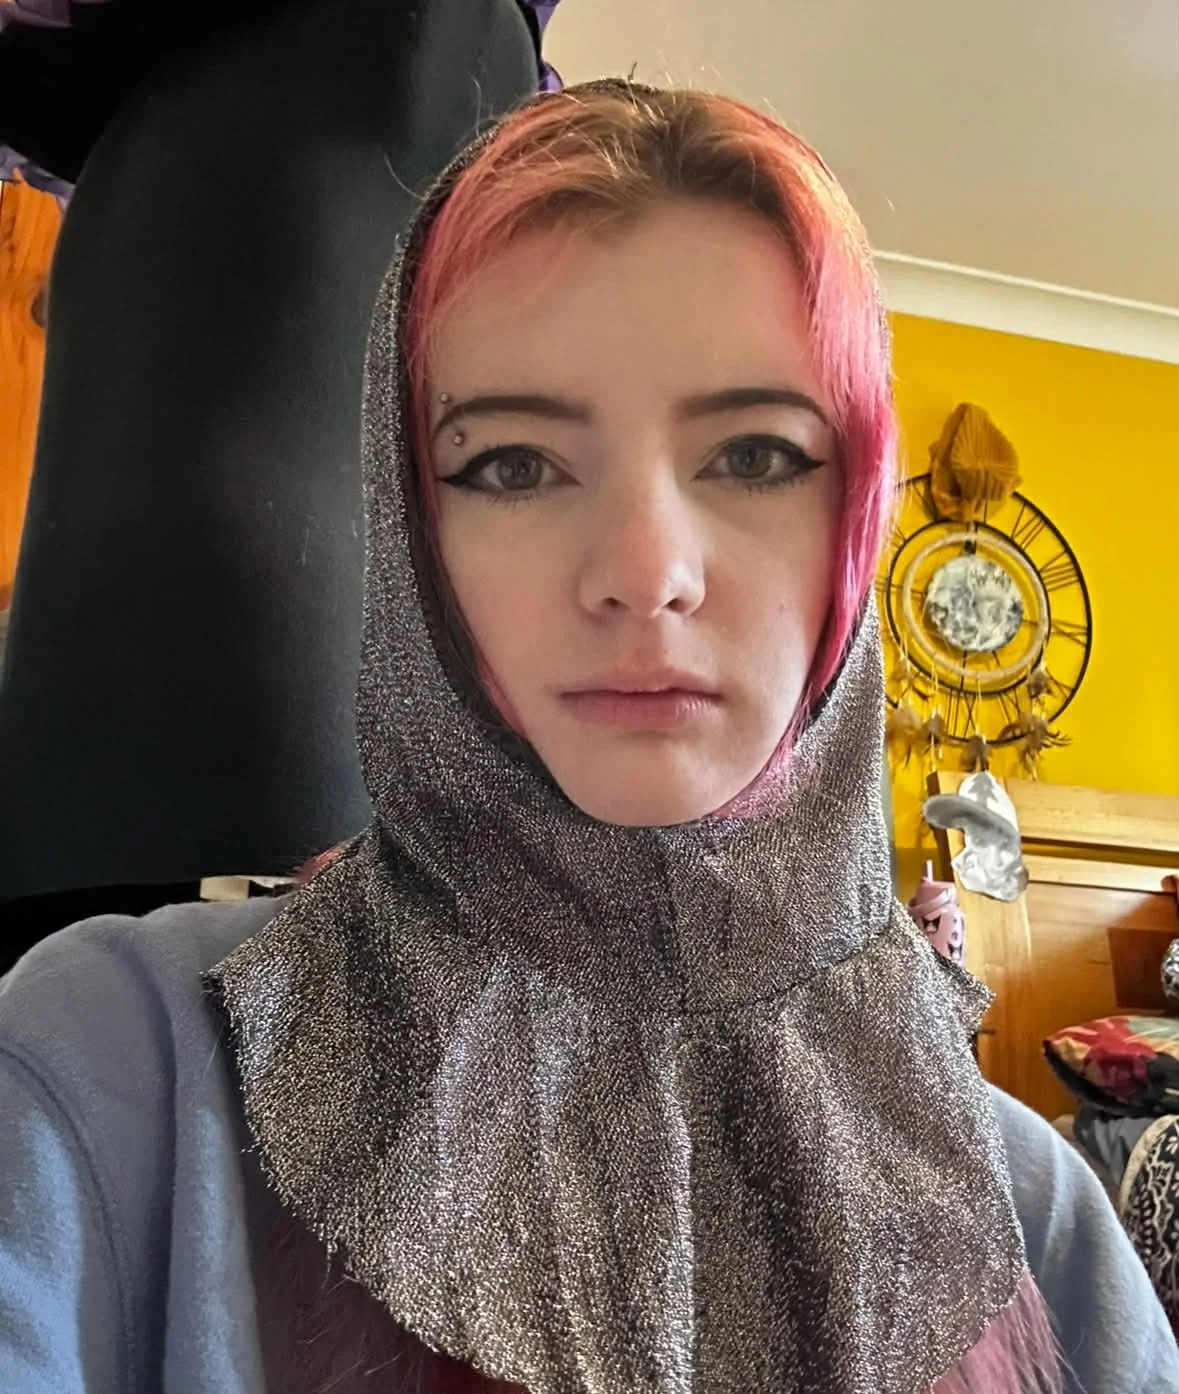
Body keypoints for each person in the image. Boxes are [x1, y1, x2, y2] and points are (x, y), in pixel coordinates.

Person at [0, 80, 1175, 1394]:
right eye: (512, 464)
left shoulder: (1029, 1210)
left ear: (851, 528)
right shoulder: (119, 1067)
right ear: (412, 532)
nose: (643, 572)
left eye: (754, 456)